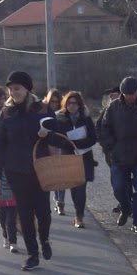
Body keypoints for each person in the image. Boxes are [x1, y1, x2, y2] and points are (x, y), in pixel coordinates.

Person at [0, 70, 70, 271]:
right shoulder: (6, 113)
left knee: (42, 210)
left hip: (40, 168)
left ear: (27, 89)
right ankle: (32, 255)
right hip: (16, 170)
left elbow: (59, 137)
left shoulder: (42, 109)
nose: (13, 93)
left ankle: (45, 240)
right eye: (10, 89)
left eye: (17, 88)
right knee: (24, 213)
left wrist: (46, 134)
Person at [97, 74, 137, 234]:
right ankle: (125, 208)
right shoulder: (113, 107)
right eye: (126, 94)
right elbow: (104, 128)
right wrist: (111, 147)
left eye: (132, 94)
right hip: (119, 156)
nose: (130, 97)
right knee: (118, 187)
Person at [54, 91, 99, 228]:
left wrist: (78, 143)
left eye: (74, 103)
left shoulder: (86, 119)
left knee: (80, 188)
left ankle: (79, 216)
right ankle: (70, 209)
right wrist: (68, 143)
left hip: (83, 156)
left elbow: (93, 138)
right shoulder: (60, 118)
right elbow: (56, 139)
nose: (72, 106)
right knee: (73, 187)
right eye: (69, 103)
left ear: (79, 105)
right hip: (68, 157)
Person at [44, 88, 68, 214]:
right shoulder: (44, 112)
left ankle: (60, 202)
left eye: (57, 102)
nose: (54, 104)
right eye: (52, 101)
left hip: (60, 147)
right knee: (52, 176)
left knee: (61, 176)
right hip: (48, 147)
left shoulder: (62, 114)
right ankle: (56, 198)